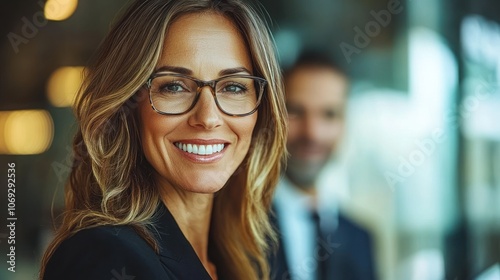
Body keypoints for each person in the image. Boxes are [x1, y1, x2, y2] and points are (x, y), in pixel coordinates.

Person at [40, 0, 287, 279]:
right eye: (174, 86)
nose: (207, 117)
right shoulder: (101, 258)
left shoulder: (247, 260)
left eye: (233, 87)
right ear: (128, 108)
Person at [269, 51, 376, 280]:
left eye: (329, 114)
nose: (312, 133)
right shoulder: (237, 228)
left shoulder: (361, 238)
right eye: (295, 111)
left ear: (344, 123)